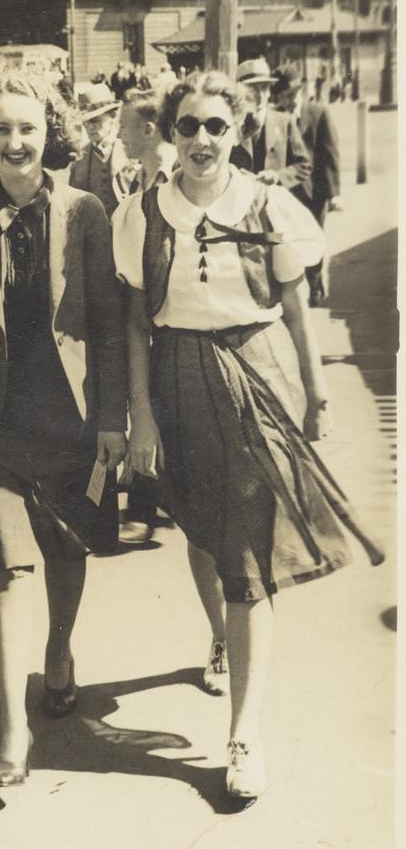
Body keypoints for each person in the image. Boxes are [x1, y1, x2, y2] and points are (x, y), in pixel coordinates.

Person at [112, 70, 383, 801]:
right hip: (175, 386)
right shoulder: (142, 215)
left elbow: (298, 314)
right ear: (171, 134)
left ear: (239, 132)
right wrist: (140, 414)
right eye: (190, 126)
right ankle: (220, 638)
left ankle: (244, 736)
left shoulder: (272, 208)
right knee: (200, 532)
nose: (203, 140)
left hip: (257, 382)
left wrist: (318, 396)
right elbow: (138, 324)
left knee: (246, 560)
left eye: (217, 127)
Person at [0, 71, 127, 788]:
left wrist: (113, 421)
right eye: (2, 129)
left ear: (52, 134)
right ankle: (13, 729)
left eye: (28, 128)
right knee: (9, 571)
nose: (16, 142)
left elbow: (107, 326)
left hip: (69, 418)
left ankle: (62, 650)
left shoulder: (87, 213)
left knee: (66, 549)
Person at [116, 88, 178, 543]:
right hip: (143, 306)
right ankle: (149, 502)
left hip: (174, 316)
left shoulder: (177, 174)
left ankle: (147, 506)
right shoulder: (140, 177)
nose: (119, 134)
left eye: (124, 125)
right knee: (148, 402)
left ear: (148, 129)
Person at [274, 65, 342, 307]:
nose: (289, 101)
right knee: (291, 240)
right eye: (283, 97)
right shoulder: (277, 118)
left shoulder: (319, 112)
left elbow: (330, 153)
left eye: (292, 95)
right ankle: (299, 286)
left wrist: (334, 194)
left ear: (301, 92)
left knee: (313, 238)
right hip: (288, 193)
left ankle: (315, 282)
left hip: (316, 192)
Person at [230, 58, 312, 193]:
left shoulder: (285, 121)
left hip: (273, 204)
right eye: (252, 89)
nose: (260, 95)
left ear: (269, 91)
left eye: (264, 88)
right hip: (238, 202)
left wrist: (277, 176)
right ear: (240, 92)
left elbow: (304, 165)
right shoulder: (230, 124)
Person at [69, 82, 137, 219]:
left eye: (95, 121)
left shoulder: (131, 151)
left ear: (112, 116)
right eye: (85, 123)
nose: (89, 127)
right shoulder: (80, 157)